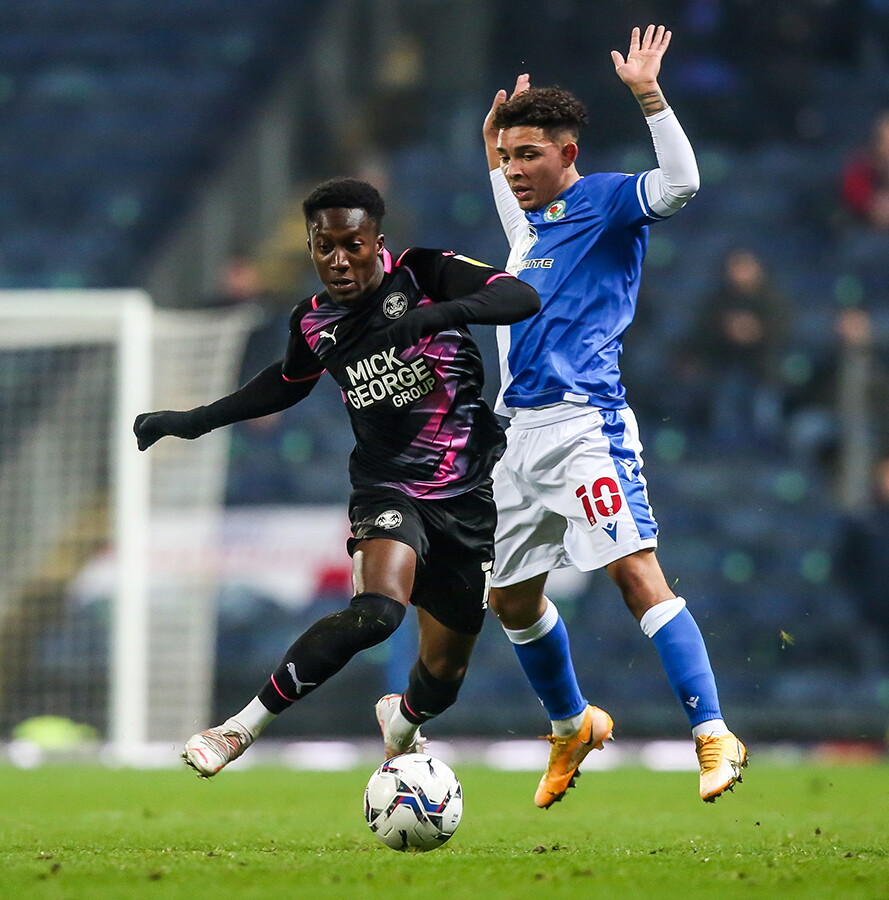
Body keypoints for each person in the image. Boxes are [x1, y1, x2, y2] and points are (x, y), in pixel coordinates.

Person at [133, 177, 540, 776]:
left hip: (469, 493)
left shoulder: (425, 273)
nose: (339, 260)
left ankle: (402, 719)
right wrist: (193, 420)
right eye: (325, 247)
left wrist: (437, 318)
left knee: (443, 679)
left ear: (378, 241)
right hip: (389, 488)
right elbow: (284, 383)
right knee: (378, 612)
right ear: (311, 246)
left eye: (353, 244)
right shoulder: (314, 321)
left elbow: (521, 298)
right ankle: (238, 730)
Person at [475, 25, 746, 806]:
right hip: (517, 439)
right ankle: (572, 724)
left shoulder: (603, 201)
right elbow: (506, 188)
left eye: (529, 155)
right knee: (511, 601)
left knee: (634, 573)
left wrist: (650, 96)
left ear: (567, 153)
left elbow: (681, 186)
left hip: (583, 428)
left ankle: (712, 731)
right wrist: (490, 140)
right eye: (507, 157)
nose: (515, 169)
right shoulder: (529, 231)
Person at [686, 247, 792, 448]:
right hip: (725, 370)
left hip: (764, 371)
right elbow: (701, 334)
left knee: (765, 419)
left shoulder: (773, 300)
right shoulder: (717, 300)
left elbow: (784, 334)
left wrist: (757, 332)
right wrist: (726, 331)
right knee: (725, 419)